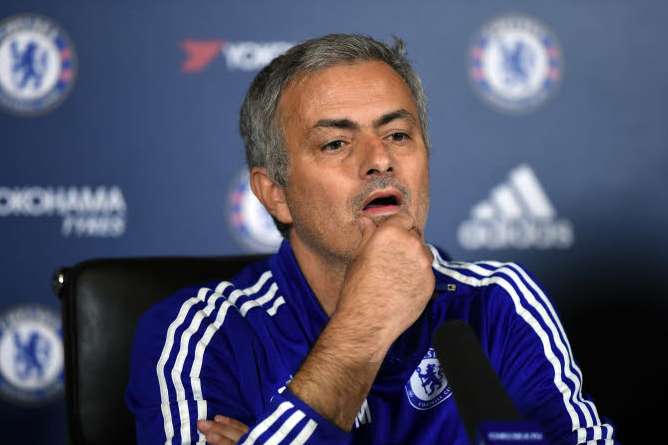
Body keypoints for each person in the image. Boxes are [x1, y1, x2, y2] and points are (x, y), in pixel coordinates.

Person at [126, 34, 616, 444]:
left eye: (398, 135)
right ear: (275, 194)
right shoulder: (200, 335)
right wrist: (364, 326)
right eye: (336, 143)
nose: (380, 160)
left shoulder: (496, 302)